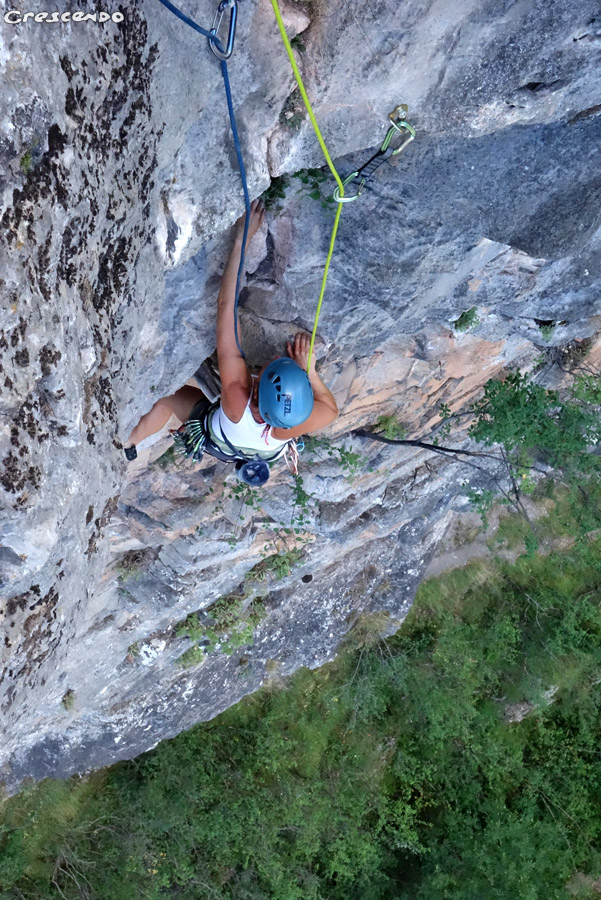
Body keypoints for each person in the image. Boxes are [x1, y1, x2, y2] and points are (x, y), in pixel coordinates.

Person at [123, 199, 338, 483]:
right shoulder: (292, 424)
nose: (274, 359)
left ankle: (129, 441)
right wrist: (310, 372)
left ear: (257, 387)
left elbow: (226, 308)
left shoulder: (237, 393)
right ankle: (130, 444)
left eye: (270, 368)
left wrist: (241, 241)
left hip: (219, 438)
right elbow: (331, 411)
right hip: (253, 447)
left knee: (168, 399)